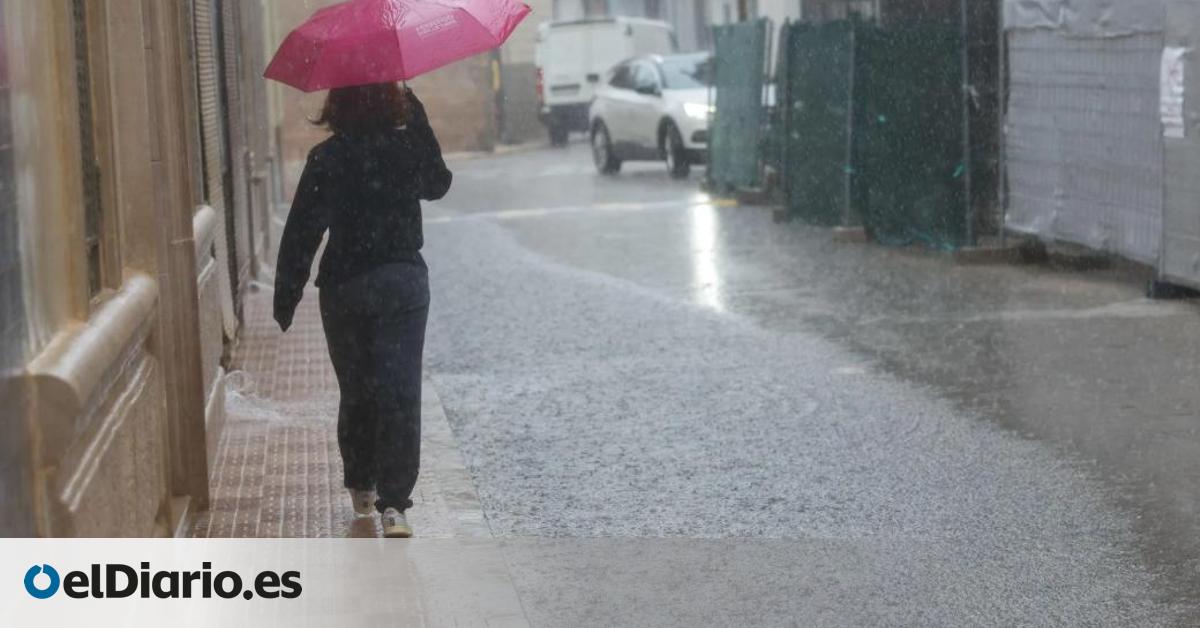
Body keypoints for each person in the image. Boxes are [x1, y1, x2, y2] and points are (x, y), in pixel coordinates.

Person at [273, 83, 452, 538]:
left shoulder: (327, 158)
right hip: (401, 282)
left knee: (358, 390)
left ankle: (361, 484)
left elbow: (303, 230)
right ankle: (396, 505)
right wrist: (418, 116)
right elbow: (438, 183)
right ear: (391, 102)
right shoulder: (404, 148)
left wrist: (287, 293)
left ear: (337, 105)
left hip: (345, 288)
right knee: (400, 390)